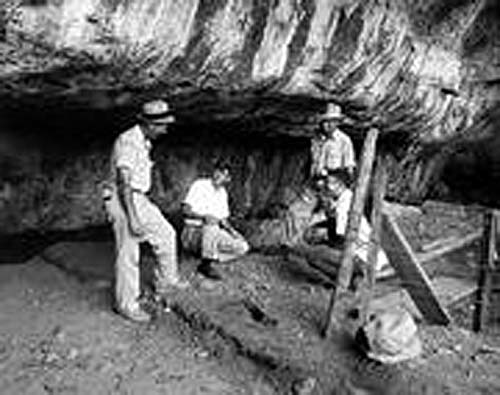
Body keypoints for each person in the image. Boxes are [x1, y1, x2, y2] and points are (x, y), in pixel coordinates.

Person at [103, 99, 188, 323]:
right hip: (122, 198)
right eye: (162, 125)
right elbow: (124, 183)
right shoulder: (128, 141)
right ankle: (126, 304)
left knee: (166, 234)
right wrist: (132, 218)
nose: (166, 129)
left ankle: (167, 281)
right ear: (149, 124)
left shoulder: (144, 141)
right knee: (128, 252)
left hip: (137, 197)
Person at [304, 168, 393, 278]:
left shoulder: (343, 204)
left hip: (362, 256)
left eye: (330, 183)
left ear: (340, 185)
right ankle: (356, 276)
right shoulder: (348, 197)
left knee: (313, 255)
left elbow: (340, 239)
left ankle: (357, 276)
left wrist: (323, 238)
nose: (327, 187)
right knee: (318, 246)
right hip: (373, 254)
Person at [181, 159, 249, 280]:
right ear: (214, 171)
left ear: (228, 179)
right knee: (211, 224)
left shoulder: (223, 194)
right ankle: (205, 265)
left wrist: (234, 233)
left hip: (211, 235)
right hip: (192, 233)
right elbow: (185, 210)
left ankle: (209, 255)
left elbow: (223, 220)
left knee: (243, 246)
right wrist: (203, 217)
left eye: (224, 174)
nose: (219, 175)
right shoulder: (200, 185)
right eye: (218, 171)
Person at [310, 102, 356, 180]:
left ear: (337, 123)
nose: (327, 125)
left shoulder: (344, 140)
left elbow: (349, 166)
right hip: (318, 181)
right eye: (325, 121)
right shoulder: (317, 140)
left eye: (331, 121)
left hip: (336, 180)